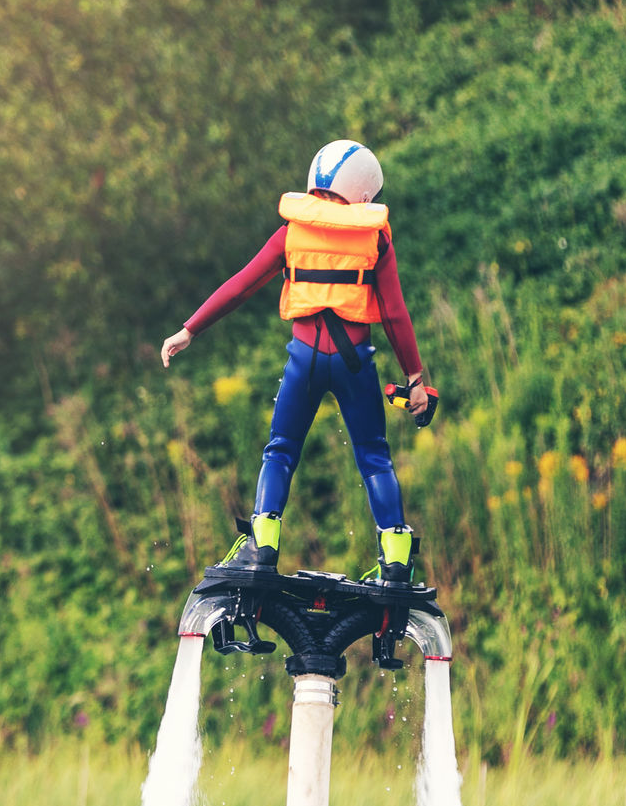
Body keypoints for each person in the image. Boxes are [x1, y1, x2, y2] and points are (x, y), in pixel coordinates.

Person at [161, 139, 437, 584]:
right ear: (364, 194)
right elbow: (395, 313)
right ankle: (397, 556)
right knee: (373, 457)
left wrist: (189, 329)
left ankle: (263, 544)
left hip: (304, 360)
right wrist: (415, 378)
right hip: (355, 364)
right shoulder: (374, 239)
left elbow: (240, 285)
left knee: (281, 450)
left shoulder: (292, 232)